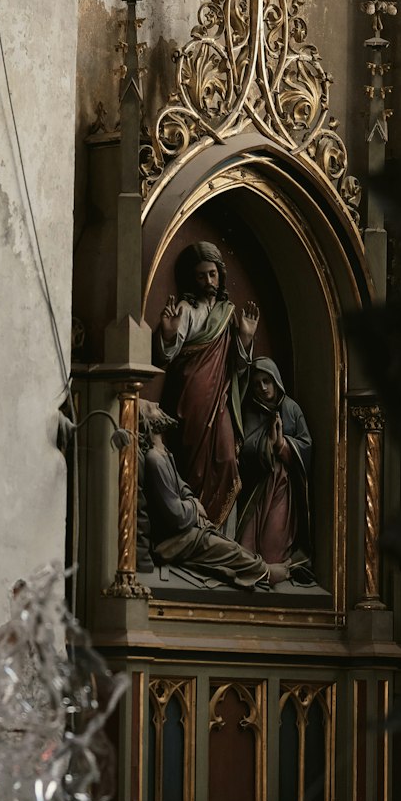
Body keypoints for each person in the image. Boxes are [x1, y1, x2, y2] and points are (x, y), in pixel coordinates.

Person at [154, 241, 258, 528]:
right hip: (191, 395)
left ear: (220, 275)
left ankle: (222, 538)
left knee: (226, 460)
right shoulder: (186, 308)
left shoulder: (228, 313)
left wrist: (246, 340)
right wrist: (168, 334)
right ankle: (196, 531)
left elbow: (237, 367)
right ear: (193, 278)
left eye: (212, 274)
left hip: (219, 399)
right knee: (193, 466)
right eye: (201, 275)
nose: (208, 281)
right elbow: (168, 356)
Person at [139, 401, 288, 588]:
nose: (157, 403)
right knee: (225, 548)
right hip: (171, 542)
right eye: (151, 408)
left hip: (184, 529)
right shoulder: (154, 459)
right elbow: (175, 515)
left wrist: (192, 501)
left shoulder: (163, 452)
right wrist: (194, 509)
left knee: (223, 542)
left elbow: (181, 485)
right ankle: (264, 573)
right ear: (147, 422)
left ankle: (260, 567)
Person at [237, 357, 313, 572]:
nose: (262, 387)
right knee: (246, 547)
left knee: (273, 548)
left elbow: (306, 446)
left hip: (283, 489)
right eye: (256, 383)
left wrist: (282, 445)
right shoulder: (251, 411)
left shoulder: (291, 409)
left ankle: (277, 569)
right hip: (256, 489)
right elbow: (244, 448)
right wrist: (267, 445)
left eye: (266, 381)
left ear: (276, 381)